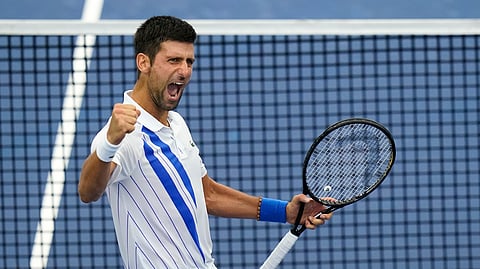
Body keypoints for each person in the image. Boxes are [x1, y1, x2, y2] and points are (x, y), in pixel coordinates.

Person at [78, 15, 332, 269]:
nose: (185, 71)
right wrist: (110, 142)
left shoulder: (176, 124)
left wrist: (285, 212)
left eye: (189, 61)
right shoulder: (126, 136)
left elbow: (207, 194)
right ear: (144, 63)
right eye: (174, 60)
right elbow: (88, 192)